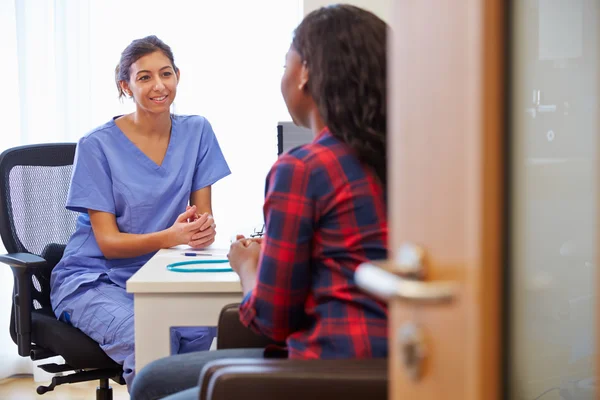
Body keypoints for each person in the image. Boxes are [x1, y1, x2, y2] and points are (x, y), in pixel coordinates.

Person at [130, 4, 388, 399]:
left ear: (304, 74)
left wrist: (248, 265)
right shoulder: (404, 161)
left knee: (152, 384)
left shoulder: (302, 168)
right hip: (392, 362)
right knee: (152, 379)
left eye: (287, 62)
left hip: (327, 366)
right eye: (144, 76)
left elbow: (272, 319)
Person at [49, 35, 231, 390]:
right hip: (92, 279)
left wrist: (201, 230)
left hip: (161, 273)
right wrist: (171, 236)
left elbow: (199, 219)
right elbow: (108, 243)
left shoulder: (197, 131)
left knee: (200, 328)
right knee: (149, 338)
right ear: (125, 86)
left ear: (178, 75)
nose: (158, 85)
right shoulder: (97, 145)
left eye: (166, 73)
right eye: (144, 77)